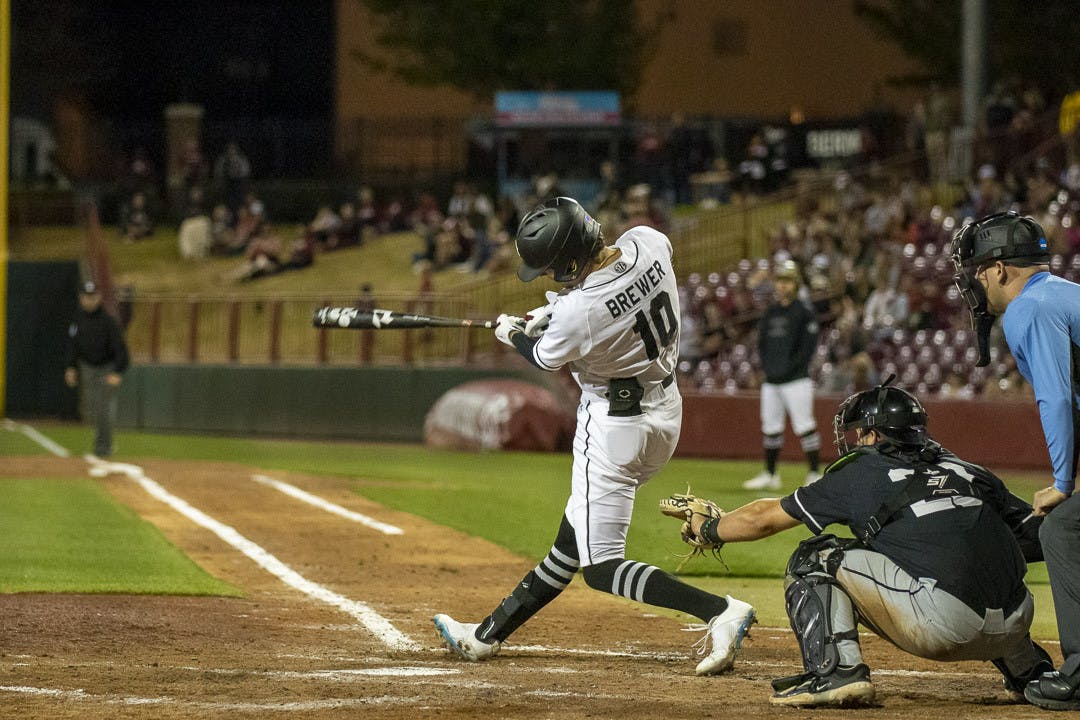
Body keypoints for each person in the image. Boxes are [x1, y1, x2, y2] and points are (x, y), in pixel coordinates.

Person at [432, 196, 756, 675]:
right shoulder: (646, 242)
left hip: (613, 429)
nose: (546, 277)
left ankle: (719, 611)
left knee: (601, 567)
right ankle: (486, 635)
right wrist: (559, 309)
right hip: (664, 414)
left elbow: (544, 356)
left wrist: (513, 332)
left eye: (549, 270)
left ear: (565, 264)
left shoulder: (579, 311)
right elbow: (614, 290)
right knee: (572, 540)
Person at [680, 381, 1052, 707]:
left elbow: (763, 519)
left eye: (860, 433)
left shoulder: (861, 472)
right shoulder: (967, 470)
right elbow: (1035, 535)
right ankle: (1030, 672)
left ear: (874, 436)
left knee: (814, 556)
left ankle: (837, 672)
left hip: (945, 626)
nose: (856, 440)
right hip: (1018, 620)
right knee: (971, 555)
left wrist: (708, 528)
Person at [951, 210, 1080, 710]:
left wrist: (1063, 483)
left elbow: (1058, 396)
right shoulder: (1064, 293)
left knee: (1063, 529)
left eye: (976, 271)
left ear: (999, 269)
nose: (974, 284)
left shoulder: (1030, 307)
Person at [743, 260, 822, 490]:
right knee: (771, 427)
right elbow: (762, 345)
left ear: (796, 284)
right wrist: (769, 370)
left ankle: (814, 472)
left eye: (787, 281)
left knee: (805, 425)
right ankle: (770, 473)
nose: (782, 285)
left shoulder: (804, 312)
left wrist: (788, 369)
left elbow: (807, 349)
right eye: (780, 280)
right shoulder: (771, 312)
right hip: (772, 381)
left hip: (797, 380)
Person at [65, 281, 130, 459]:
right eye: (87, 296)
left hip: (106, 368)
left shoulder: (108, 321)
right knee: (92, 410)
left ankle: (105, 447)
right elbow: (73, 346)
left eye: (93, 296)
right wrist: (71, 367)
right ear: (81, 298)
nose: (90, 300)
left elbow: (120, 348)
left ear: (99, 297)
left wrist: (117, 371)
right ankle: (100, 444)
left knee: (105, 409)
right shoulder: (77, 319)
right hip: (87, 368)